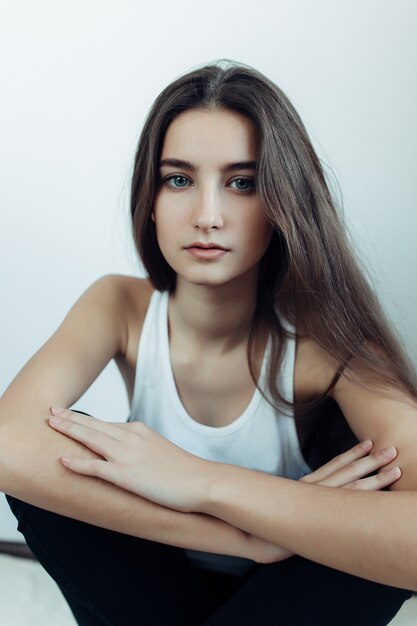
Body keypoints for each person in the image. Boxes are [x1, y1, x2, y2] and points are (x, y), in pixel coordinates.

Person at [1, 59, 416, 626]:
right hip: (156, 585)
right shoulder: (119, 305)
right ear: (150, 199)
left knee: (372, 527)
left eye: (242, 183)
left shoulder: (327, 342)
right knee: (49, 448)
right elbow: (7, 446)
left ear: (282, 205)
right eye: (179, 179)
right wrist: (240, 536)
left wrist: (202, 482)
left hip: (284, 596)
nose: (207, 216)